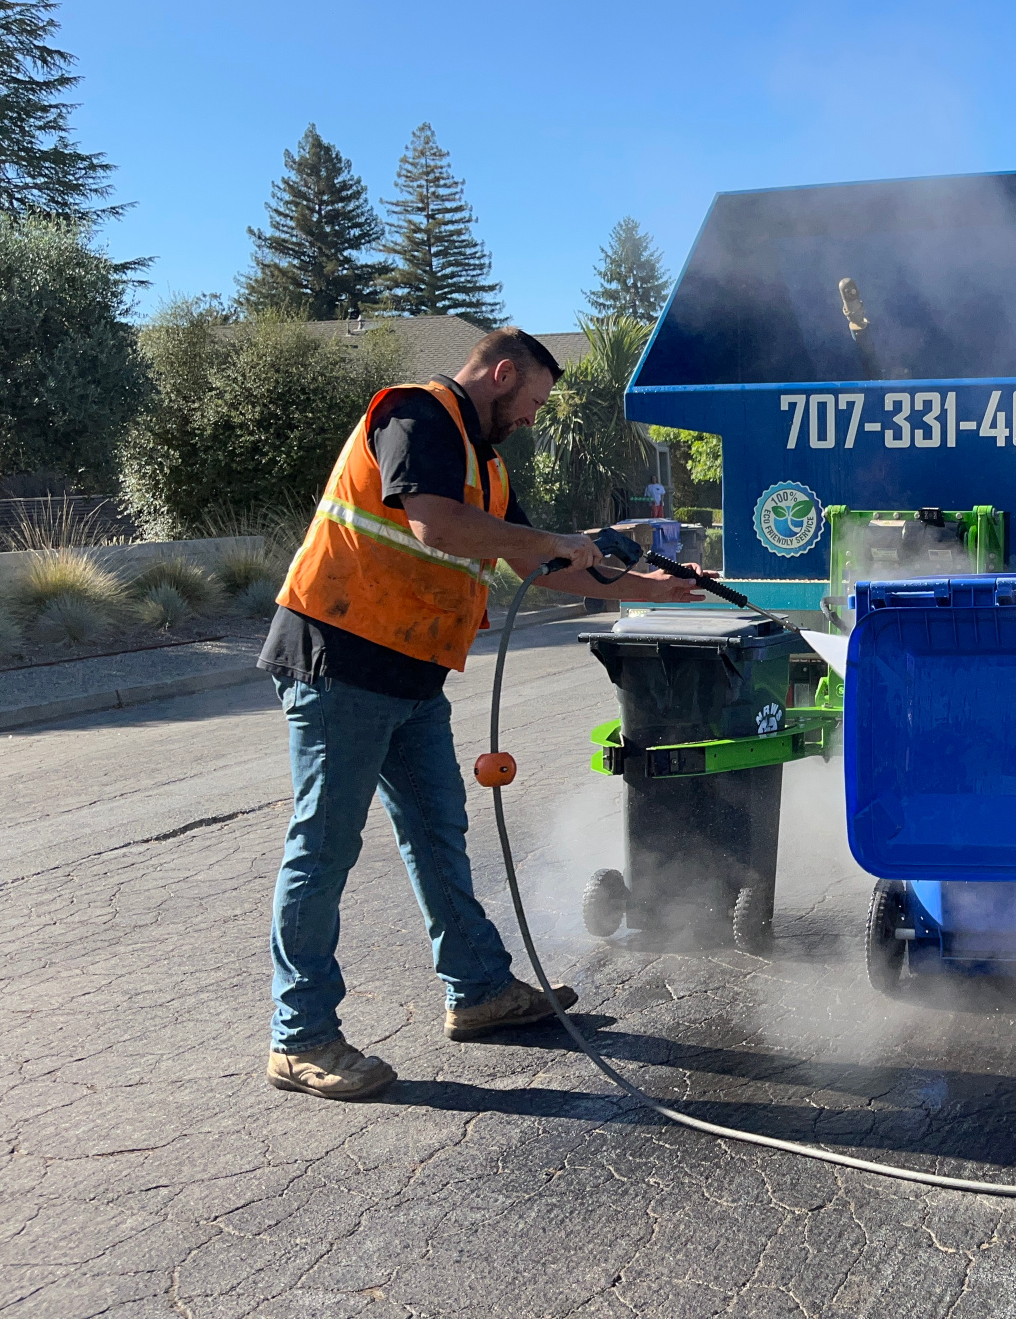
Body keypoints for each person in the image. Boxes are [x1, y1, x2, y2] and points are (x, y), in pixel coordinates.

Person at [260, 327, 703, 1100]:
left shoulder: (485, 466)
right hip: (340, 660)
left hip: (411, 673)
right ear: (502, 375)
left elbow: (538, 561)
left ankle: (478, 990)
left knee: (439, 833)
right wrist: (554, 540)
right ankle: (299, 1036)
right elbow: (434, 522)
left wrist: (654, 591)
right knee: (324, 848)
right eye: (532, 401)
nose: (533, 418)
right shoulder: (415, 417)